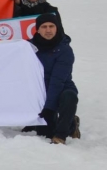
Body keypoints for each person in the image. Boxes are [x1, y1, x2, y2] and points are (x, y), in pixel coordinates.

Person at [26, 13, 80, 144]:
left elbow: (57, 80)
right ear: (37, 29)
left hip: (61, 88)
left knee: (69, 97)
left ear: (57, 28)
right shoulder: (27, 47)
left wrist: (49, 107)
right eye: (44, 27)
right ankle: (69, 122)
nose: (48, 30)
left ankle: (62, 134)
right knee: (45, 132)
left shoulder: (65, 50)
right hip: (40, 91)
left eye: (51, 26)